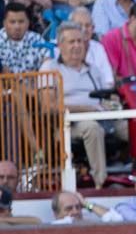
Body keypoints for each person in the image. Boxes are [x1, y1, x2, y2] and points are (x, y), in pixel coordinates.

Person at [40, 22, 124, 186]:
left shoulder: (94, 70)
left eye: (80, 41)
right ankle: (101, 182)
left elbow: (104, 97)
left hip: (101, 116)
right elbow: (48, 107)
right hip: (67, 124)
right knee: (92, 127)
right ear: (60, 44)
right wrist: (85, 109)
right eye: (72, 42)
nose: (77, 45)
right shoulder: (50, 68)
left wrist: (112, 103)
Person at [0, 2, 50, 73]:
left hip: (34, 83)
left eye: (21, 22)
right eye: (12, 22)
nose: (17, 27)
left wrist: (42, 68)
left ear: (28, 23)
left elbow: (48, 57)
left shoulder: (36, 39)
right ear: (4, 23)